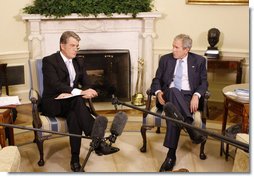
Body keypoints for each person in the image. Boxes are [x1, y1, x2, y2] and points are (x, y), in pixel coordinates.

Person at [41, 31, 118, 172]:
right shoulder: (49, 61)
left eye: (77, 46)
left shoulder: (78, 61)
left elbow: (86, 83)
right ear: (62, 46)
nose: (76, 49)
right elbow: (55, 84)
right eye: (72, 45)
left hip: (70, 103)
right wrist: (80, 92)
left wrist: (90, 91)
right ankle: (97, 139)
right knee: (77, 101)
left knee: (74, 115)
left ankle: (75, 160)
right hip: (52, 102)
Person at [150, 34, 208, 172]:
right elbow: (156, 80)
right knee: (173, 91)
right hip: (167, 95)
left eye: (177, 47)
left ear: (186, 49)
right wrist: (158, 92)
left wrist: (196, 95)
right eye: (173, 46)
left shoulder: (199, 61)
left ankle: (170, 157)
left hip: (188, 97)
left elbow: (204, 82)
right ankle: (190, 127)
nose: (173, 50)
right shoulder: (165, 59)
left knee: (173, 113)